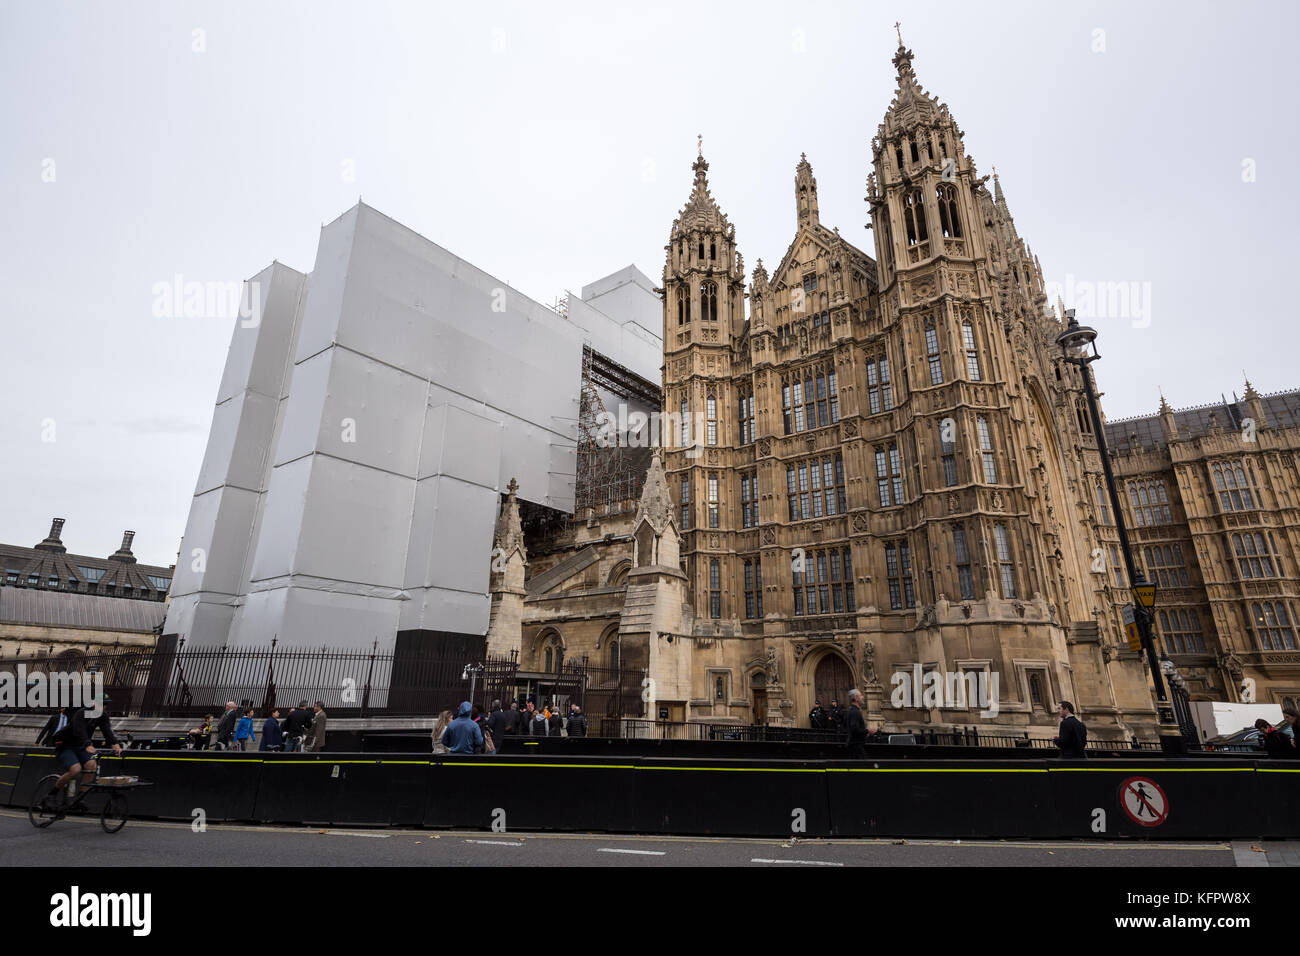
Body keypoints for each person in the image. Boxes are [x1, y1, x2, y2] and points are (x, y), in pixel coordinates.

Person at [50, 702, 122, 805]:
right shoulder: (82, 713)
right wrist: (88, 744)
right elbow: (79, 730)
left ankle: (79, 799)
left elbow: (107, 731)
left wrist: (115, 744)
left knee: (92, 766)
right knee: (76, 769)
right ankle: (52, 794)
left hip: (81, 746)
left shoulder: (102, 716)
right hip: (66, 745)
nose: (102, 707)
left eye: (104, 705)